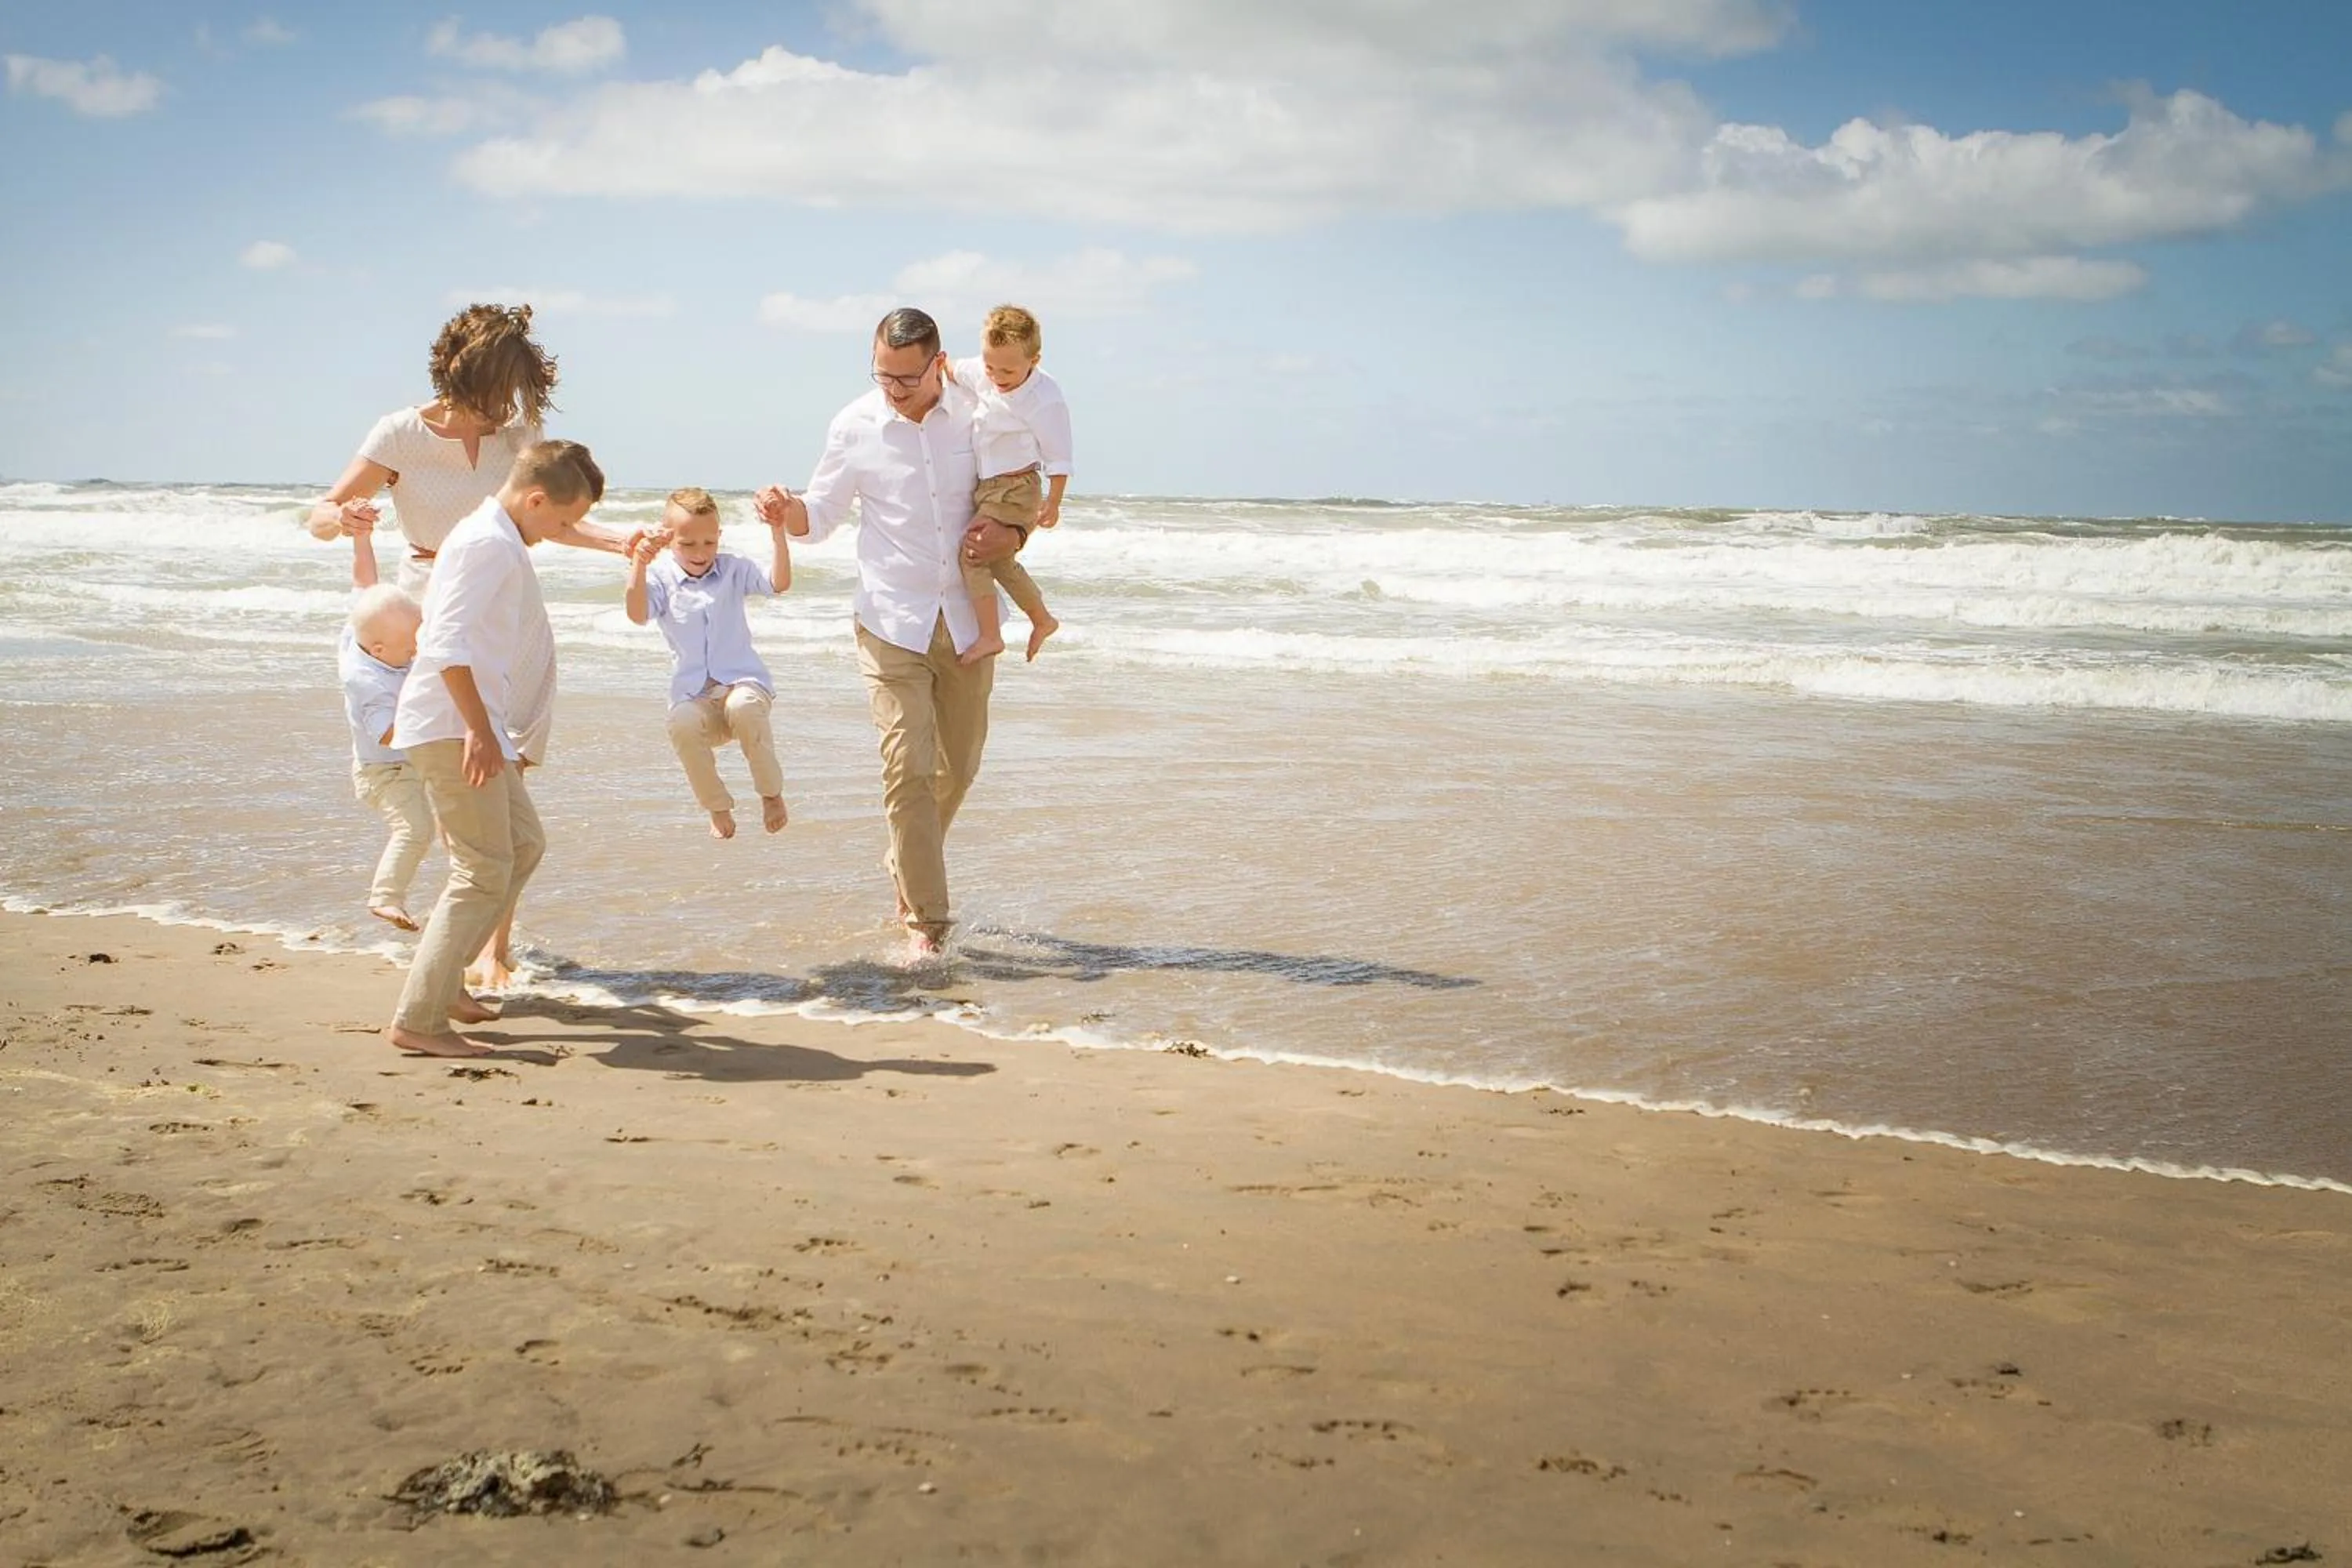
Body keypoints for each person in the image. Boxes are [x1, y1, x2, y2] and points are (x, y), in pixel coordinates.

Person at [307, 303, 633, 987]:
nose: (506, 408)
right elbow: (321, 513)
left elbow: (550, 520)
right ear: (463, 376)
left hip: (510, 612)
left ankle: (492, 948)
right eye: (497, 391)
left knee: (510, 791)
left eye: (516, 393)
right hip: (430, 604)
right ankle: (452, 956)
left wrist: (619, 541)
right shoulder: (399, 433)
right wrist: (346, 517)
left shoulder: (518, 437)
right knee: (465, 785)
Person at [753, 307, 1031, 957]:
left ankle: (904, 859)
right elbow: (817, 517)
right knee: (907, 768)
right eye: (883, 376)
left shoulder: (980, 411)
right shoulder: (855, 425)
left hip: (967, 619)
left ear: (938, 364)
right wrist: (783, 509)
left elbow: (1020, 487)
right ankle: (927, 922)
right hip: (889, 620)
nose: (894, 391)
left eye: (907, 379)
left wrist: (1016, 531)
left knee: (957, 769)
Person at [384, 439, 603, 1058]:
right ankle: (418, 1020)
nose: (562, 532)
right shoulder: (487, 544)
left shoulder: (495, 534)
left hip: (475, 724)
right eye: (561, 520)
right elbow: (443, 642)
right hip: (453, 728)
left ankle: (445, 983)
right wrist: (481, 731)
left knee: (523, 844)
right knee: (481, 869)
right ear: (535, 498)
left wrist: (491, 729)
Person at [625, 487, 793, 840]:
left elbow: (779, 583)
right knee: (680, 722)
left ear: (719, 537)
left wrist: (778, 532)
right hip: (696, 697)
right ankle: (717, 806)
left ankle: (771, 794)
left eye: (709, 543)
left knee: (744, 706)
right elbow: (637, 613)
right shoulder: (660, 579)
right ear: (669, 539)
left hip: (744, 685)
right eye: (688, 544)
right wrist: (638, 563)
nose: (700, 553)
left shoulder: (734, 569)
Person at [946, 303, 1073, 664]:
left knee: (972, 554)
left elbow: (1059, 452)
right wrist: (935, 365)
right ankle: (1042, 618)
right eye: (990, 366)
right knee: (997, 560)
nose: (997, 376)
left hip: (1017, 486)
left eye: (1008, 370)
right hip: (989, 487)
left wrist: (1054, 501)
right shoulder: (982, 372)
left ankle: (990, 637)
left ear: (1034, 359)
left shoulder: (1044, 397)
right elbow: (952, 368)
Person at [339, 583, 431, 933]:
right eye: (410, 650)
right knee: (415, 828)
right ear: (379, 649)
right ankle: (385, 897)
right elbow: (388, 734)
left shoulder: (359, 638)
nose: (414, 654)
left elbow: (363, 585)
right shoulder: (365, 681)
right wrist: (428, 709)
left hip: (404, 764)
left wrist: (362, 539)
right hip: (386, 772)